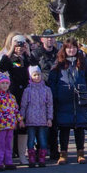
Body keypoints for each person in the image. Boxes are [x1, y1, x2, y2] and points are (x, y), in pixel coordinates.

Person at [48, 39, 87, 165]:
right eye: (68, 48)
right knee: (64, 129)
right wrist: (55, 95)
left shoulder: (83, 62)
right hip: (63, 101)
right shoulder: (58, 64)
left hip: (80, 100)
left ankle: (81, 153)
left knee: (79, 128)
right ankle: (63, 154)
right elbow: (52, 81)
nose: (71, 50)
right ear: (64, 49)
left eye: (74, 47)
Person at [0, 34, 31, 164]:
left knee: (23, 125)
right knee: (11, 125)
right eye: (17, 44)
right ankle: (9, 155)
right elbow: (0, 68)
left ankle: (22, 154)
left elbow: (34, 65)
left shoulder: (26, 58)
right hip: (12, 95)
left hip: (25, 95)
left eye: (21, 44)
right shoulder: (7, 58)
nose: (19, 47)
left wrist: (27, 52)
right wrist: (11, 50)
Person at [30, 28, 59, 159]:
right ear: (42, 39)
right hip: (39, 91)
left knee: (53, 122)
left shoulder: (58, 53)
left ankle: (54, 148)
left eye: (52, 37)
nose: (50, 39)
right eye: (47, 37)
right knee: (40, 123)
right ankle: (40, 148)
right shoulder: (36, 54)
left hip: (55, 90)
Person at [20, 65, 53, 167]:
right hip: (30, 120)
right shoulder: (27, 90)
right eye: (34, 75)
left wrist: (49, 118)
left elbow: (50, 104)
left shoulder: (46, 89)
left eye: (38, 75)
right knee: (30, 140)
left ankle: (42, 158)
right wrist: (21, 119)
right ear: (31, 77)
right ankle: (32, 158)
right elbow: (23, 105)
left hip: (43, 119)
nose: (37, 77)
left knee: (42, 140)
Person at [0, 71, 23, 171]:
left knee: (9, 143)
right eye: (3, 83)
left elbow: (16, 109)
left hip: (10, 124)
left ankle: (8, 161)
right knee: (0, 143)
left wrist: (20, 120)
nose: (5, 85)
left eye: (6, 83)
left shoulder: (11, 97)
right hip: (0, 125)